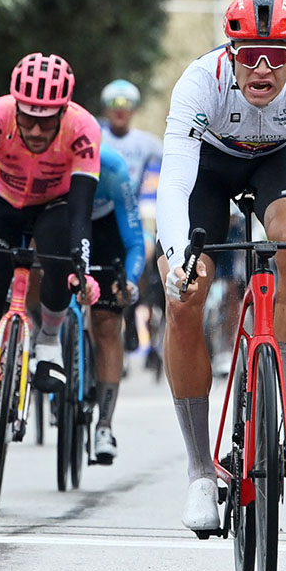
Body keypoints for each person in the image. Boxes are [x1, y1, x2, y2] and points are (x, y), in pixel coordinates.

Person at [156, 0, 286, 536]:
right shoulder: (199, 82)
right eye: (250, 53)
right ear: (231, 50)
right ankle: (201, 471)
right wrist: (179, 258)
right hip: (209, 166)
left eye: (276, 55)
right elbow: (175, 181)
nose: (263, 67)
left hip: (279, 159)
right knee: (184, 295)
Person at [0, 52, 101, 481]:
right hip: (0, 204)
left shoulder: (84, 129)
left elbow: (82, 215)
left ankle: (48, 339)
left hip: (56, 204)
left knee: (60, 255)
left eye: (46, 121)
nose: (33, 129)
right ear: (15, 106)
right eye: (27, 117)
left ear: (64, 112)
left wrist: (80, 268)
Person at [97, 80, 164, 369]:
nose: (120, 113)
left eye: (126, 108)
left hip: (132, 214)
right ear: (106, 109)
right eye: (114, 107)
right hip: (99, 213)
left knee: (146, 251)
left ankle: (132, 308)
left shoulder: (147, 143)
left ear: (134, 111)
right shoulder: (96, 136)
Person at [89, 142, 145, 464]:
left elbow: (135, 242)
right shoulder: (54, 157)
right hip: (66, 223)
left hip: (107, 231)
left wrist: (129, 281)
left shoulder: (112, 168)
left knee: (107, 324)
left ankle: (104, 425)